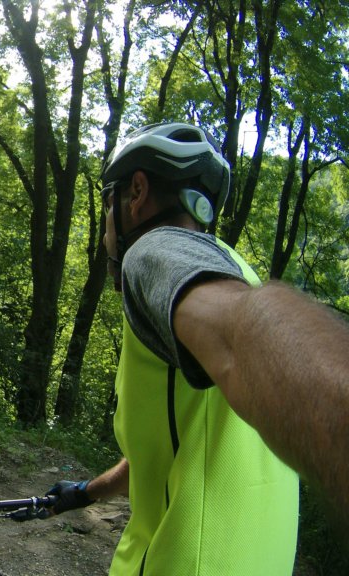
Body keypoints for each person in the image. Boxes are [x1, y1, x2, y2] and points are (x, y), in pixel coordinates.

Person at [46, 122, 349, 574]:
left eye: (108, 204)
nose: (107, 230)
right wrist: (87, 492)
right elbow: (171, 451)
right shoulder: (239, 271)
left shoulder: (153, 250)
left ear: (137, 192)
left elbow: (242, 339)